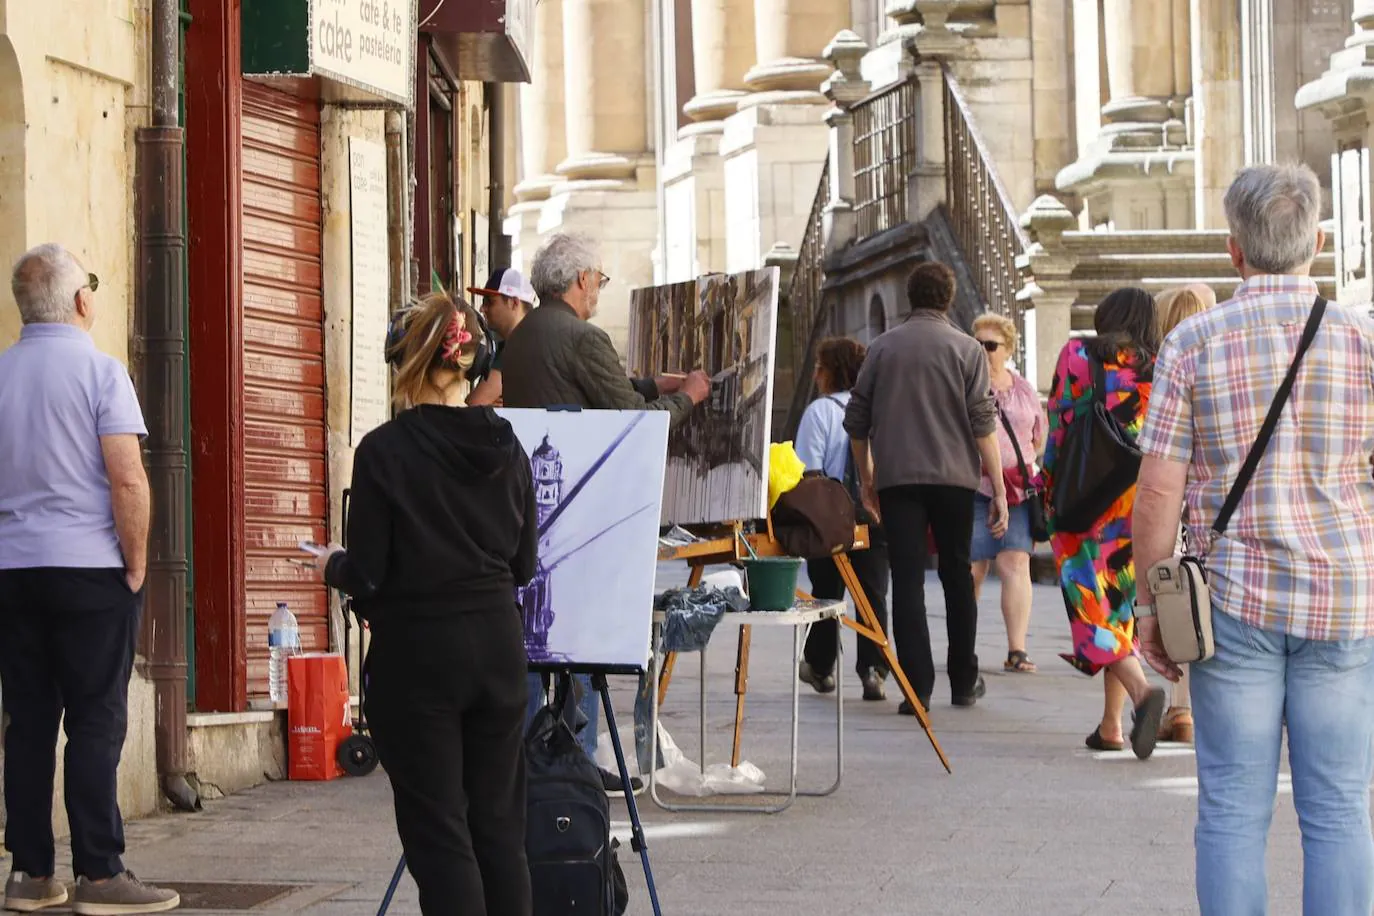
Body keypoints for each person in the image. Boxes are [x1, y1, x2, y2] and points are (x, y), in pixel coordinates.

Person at [1134, 163, 1374, 914]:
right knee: (1338, 807)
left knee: (1233, 807)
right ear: (1320, 243)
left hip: (1232, 599)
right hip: (1341, 597)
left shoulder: (1193, 343)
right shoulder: (1362, 341)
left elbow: (1158, 494)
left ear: (1234, 250)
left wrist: (1151, 605)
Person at [317, 292, 536, 916]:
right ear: (472, 363)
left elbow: (369, 575)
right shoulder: (509, 447)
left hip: (419, 660)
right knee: (499, 830)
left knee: (441, 834)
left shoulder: (384, 451)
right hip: (497, 651)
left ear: (403, 362)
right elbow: (524, 565)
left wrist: (329, 564)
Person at [0, 244, 181, 915]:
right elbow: (127, 477)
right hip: (88, 573)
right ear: (81, 301)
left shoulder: (0, 375)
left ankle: (29, 874)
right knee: (97, 721)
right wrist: (135, 562)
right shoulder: (102, 374)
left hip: (13, 572)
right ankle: (101, 874)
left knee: (27, 724)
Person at [500, 231, 711, 790]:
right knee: (579, 636)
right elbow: (632, 422)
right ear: (580, 280)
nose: (598, 290)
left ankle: (535, 752)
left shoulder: (521, 339)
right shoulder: (584, 336)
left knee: (538, 635)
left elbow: (572, 388)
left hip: (532, 508)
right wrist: (688, 394)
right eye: (598, 280)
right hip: (580, 509)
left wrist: (646, 381)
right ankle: (575, 758)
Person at [844, 262, 1008, 713]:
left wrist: (867, 476)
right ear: (948, 298)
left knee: (908, 580)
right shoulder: (968, 349)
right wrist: (998, 486)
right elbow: (982, 423)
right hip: (956, 479)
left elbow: (856, 419)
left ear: (910, 298)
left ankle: (917, 688)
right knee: (957, 575)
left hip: (898, 479)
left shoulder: (882, 348)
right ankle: (963, 679)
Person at [1041, 287, 1167, 760]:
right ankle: (1111, 725)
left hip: (1082, 493)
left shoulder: (1078, 354)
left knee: (1090, 603)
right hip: (1137, 499)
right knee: (1119, 604)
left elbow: (1058, 423)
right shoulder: (1158, 365)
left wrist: (1045, 484)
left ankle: (1140, 691)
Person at [793, 337, 891, 701]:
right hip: (873, 516)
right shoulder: (879, 408)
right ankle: (873, 670)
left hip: (830, 520)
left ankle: (820, 667)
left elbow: (809, 472)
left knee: (826, 595)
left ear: (832, 371)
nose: (816, 373)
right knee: (873, 593)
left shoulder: (820, 412)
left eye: (820, 366)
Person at [1147, 283, 1217, 746]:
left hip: (1177, 507)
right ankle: (1188, 711)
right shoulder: (1226, 359)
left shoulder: (1164, 369)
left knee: (1180, 610)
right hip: (1219, 510)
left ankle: (1181, 708)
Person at [969, 313, 1046, 675]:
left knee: (1015, 562)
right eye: (978, 344)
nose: (983, 351)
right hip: (974, 486)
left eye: (991, 345)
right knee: (972, 568)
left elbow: (1038, 435)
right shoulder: (964, 385)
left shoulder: (1024, 389)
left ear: (1008, 349)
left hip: (1016, 490)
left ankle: (1018, 648)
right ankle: (963, 641)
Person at [467, 267, 536, 407]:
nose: (482, 309)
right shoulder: (532, 340)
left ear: (514, 303)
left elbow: (474, 405)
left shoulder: (517, 347)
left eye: (490, 302)